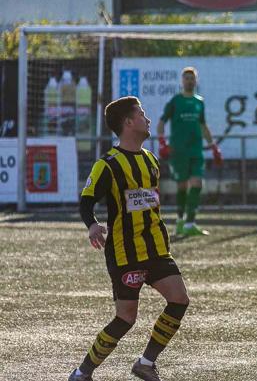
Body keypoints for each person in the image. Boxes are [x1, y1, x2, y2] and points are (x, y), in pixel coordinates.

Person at [69, 96, 190, 381]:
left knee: (179, 300)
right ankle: (82, 372)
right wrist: (92, 225)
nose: (147, 119)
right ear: (128, 122)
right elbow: (86, 201)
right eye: (142, 114)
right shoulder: (108, 164)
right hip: (126, 253)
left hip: (157, 248)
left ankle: (145, 363)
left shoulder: (151, 160)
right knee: (126, 318)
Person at [157, 67, 222, 236]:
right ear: (182, 81)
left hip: (196, 150)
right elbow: (161, 122)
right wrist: (162, 142)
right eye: (186, 78)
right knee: (182, 186)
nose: (189, 81)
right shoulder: (175, 101)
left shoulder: (199, 102)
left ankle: (190, 223)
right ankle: (180, 221)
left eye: (192, 78)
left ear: (196, 81)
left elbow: (203, 126)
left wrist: (213, 145)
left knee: (197, 183)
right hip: (179, 151)